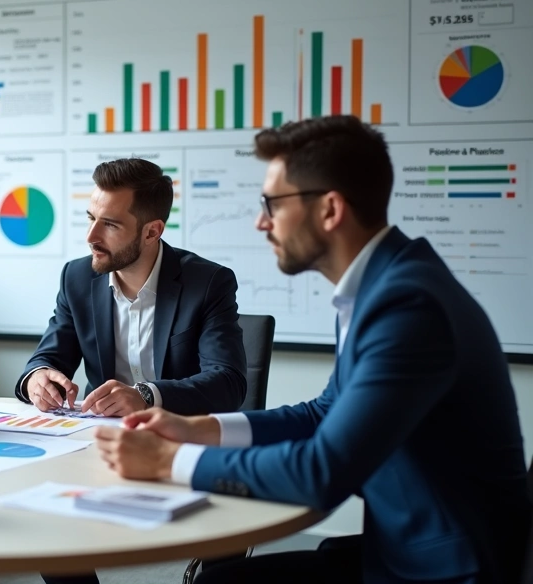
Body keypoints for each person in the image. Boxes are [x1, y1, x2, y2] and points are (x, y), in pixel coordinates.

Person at [94, 116, 532, 584]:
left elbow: (323, 472)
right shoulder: (388, 284)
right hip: (409, 546)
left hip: (446, 568)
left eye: (272, 205)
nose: (262, 222)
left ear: (329, 210)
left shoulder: (409, 306)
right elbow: (323, 413)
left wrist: (167, 461)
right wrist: (200, 428)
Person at [18, 157, 247, 419]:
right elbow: (49, 357)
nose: (91, 237)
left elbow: (229, 384)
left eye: (110, 225)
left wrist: (147, 396)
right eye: (91, 218)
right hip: (99, 434)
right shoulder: (77, 278)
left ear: (152, 232)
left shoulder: (208, 283)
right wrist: (37, 377)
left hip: (179, 434)